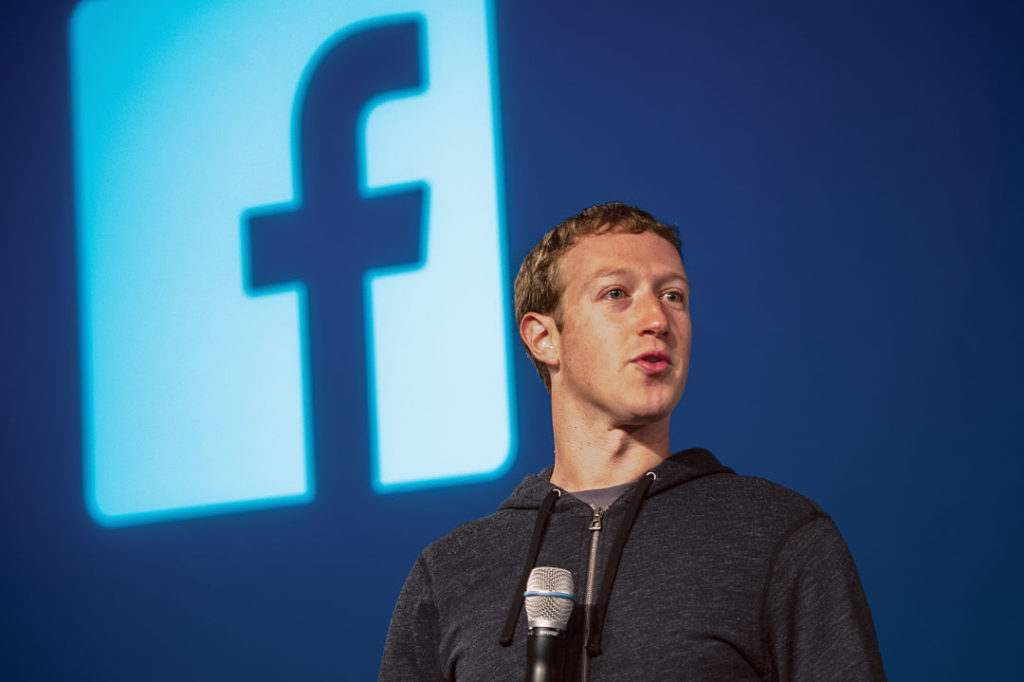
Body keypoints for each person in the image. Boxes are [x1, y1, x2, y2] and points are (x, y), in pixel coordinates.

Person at [379, 202, 885, 680]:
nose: (657, 321)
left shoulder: (779, 536)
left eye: (674, 296)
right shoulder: (450, 573)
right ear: (543, 338)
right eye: (617, 294)